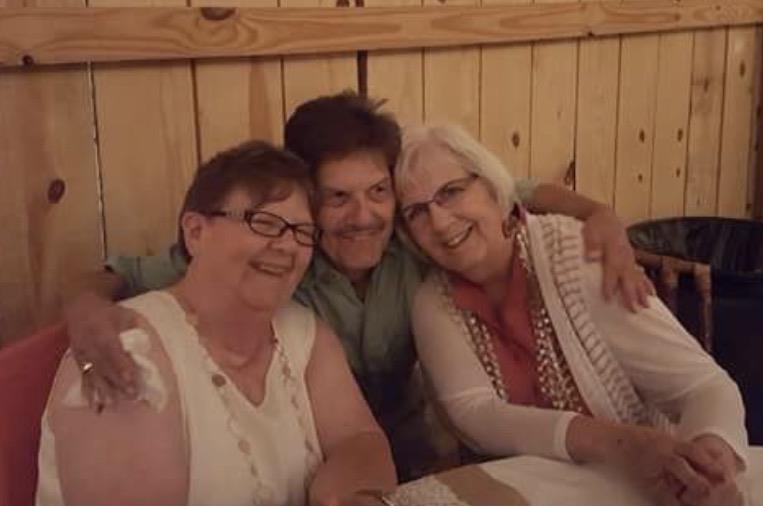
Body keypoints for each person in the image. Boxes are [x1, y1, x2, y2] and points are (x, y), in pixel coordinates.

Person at [63, 92, 653, 479]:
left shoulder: (417, 235)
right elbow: (124, 274)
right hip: (315, 468)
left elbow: (512, 189)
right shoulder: (276, 257)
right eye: (337, 198)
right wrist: (84, 310)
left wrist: (597, 213)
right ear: (306, 200)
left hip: (421, 450)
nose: (363, 216)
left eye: (377, 192)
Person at [394, 123, 750, 505]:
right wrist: (624, 444)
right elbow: (477, 416)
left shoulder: (576, 254)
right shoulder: (431, 302)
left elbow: (702, 386)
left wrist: (709, 461)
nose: (439, 222)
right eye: (417, 212)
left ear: (493, 188)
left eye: (451, 192)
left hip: (641, 486)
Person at [37, 142, 395, 506]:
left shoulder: (304, 332)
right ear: (195, 232)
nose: (288, 246)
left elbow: (360, 439)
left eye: (302, 232)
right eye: (264, 222)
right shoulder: (124, 349)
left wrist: (346, 493)